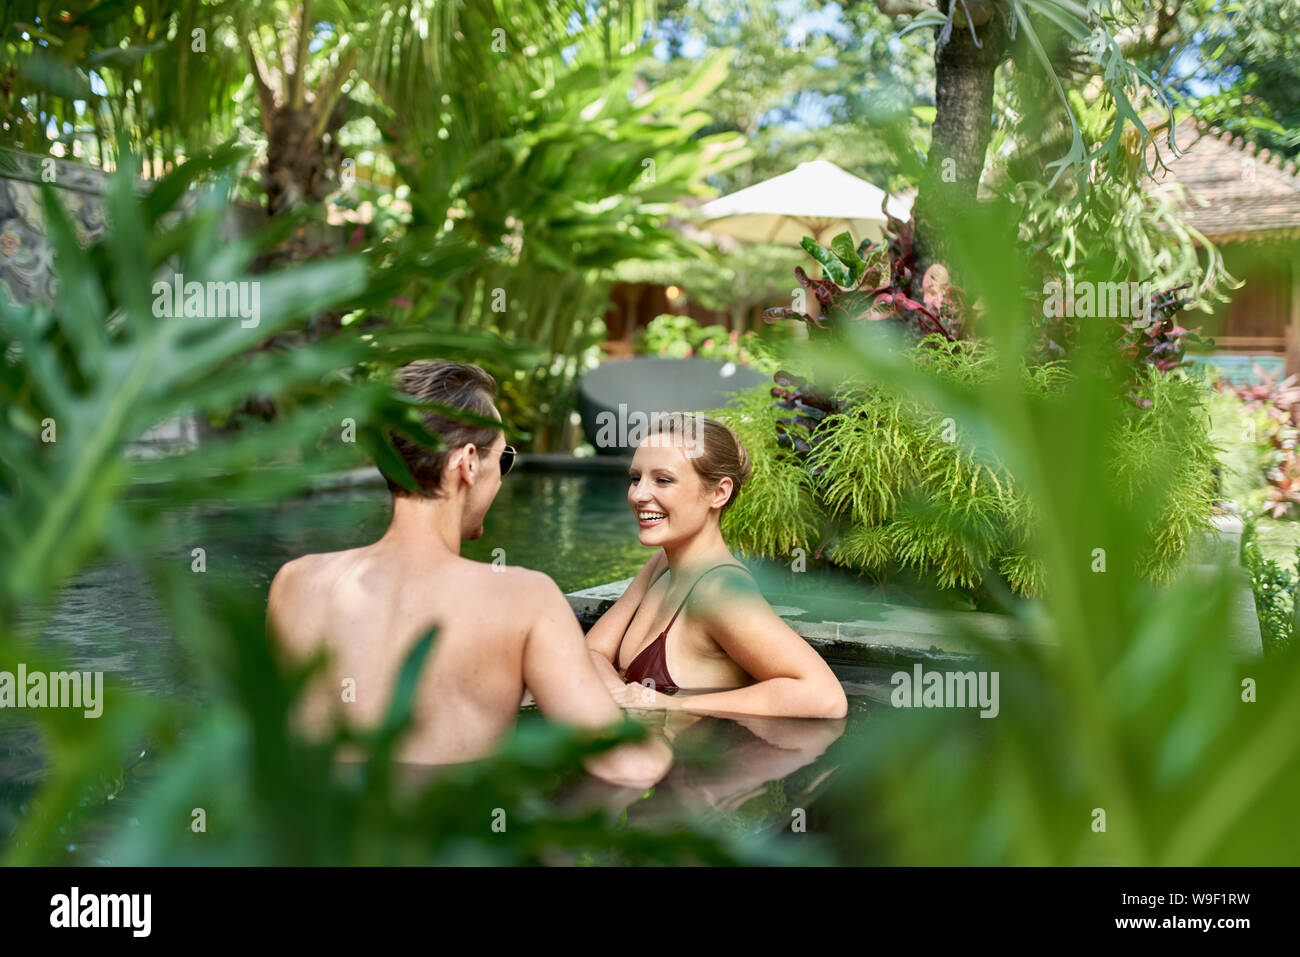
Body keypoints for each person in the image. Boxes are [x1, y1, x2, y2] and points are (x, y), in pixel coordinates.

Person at [266, 360, 671, 789]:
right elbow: (628, 765)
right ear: (468, 464)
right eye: (504, 458)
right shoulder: (524, 597)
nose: (502, 476)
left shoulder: (295, 581)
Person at [585, 412, 848, 719]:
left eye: (663, 480)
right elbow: (592, 651)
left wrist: (673, 704)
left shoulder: (719, 591)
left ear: (719, 492)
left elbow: (825, 697)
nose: (639, 494)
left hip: (698, 762)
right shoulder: (662, 565)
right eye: (635, 478)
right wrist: (617, 694)